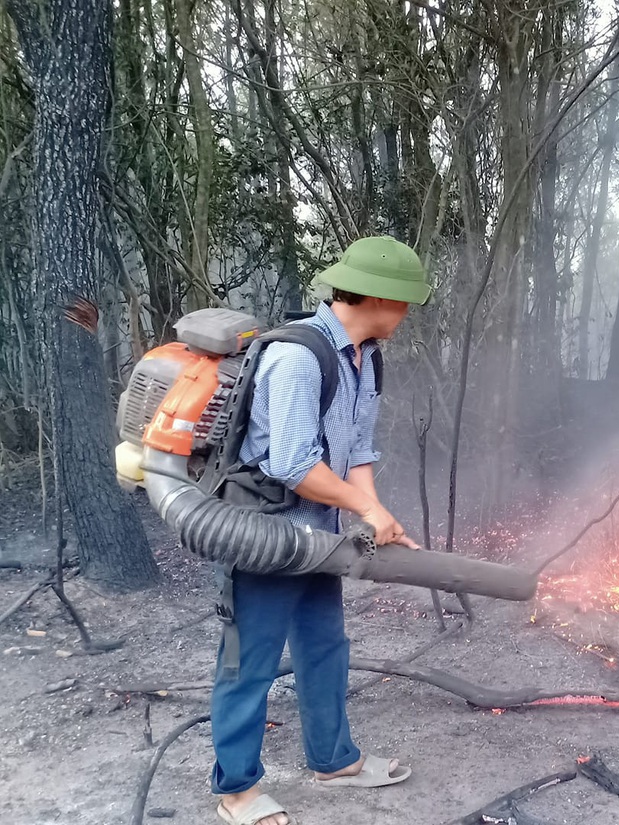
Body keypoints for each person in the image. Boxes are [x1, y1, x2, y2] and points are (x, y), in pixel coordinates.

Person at [210, 236, 431, 825]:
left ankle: (334, 761)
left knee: (325, 646)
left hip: (320, 536)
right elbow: (293, 464)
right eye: (404, 302)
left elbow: (358, 448)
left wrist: (374, 514)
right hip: (263, 534)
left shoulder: (366, 357)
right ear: (379, 298)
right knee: (245, 660)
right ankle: (237, 791)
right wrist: (366, 509)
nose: (407, 315)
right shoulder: (297, 359)